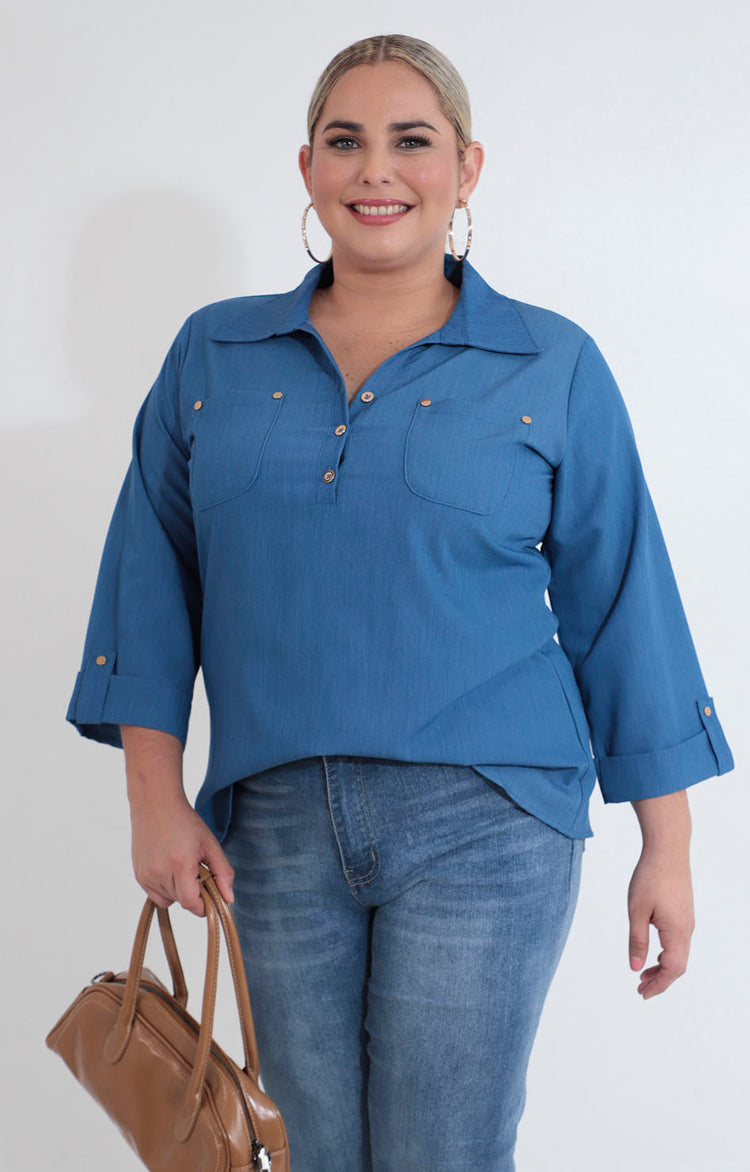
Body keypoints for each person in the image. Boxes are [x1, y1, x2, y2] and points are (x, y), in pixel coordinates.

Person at [65, 33, 734, 1172]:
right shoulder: (213, 355)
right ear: (307, 168)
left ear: (467, 169)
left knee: (443, 1153)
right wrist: (153, 800)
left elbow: (625, 599)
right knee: (309, 1153)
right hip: (270, 826)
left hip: (490, 821)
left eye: (411, 141)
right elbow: (150, 578)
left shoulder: (552, 363)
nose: (376, 170)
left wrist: (665, 847)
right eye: (346, 141)